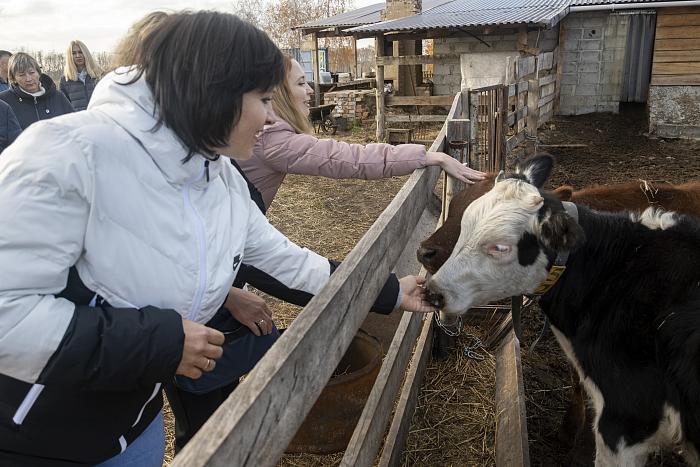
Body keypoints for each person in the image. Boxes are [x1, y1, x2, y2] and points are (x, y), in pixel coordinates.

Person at [0, 11, 435, 466]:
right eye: (265, 99)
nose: (270, 118)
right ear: (217, 91)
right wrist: (161, 343)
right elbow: (8, 315)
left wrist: (387, 291)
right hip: (39, 437)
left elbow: (283, 260)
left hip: (135, 421)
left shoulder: (218, 177)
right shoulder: (66, 155)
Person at [237, 55, 486, 210]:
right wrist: (430, 156)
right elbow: (351, 158)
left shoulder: (261, 132)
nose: (311, 91)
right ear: (279, 94)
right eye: (301, 83)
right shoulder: (272, 140)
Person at [0, 52, 74, 130]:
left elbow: (74, 125)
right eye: (21, 75)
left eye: (32, 73)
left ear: (38, 73)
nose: (28, 79)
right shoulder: (4, 101)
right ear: (13, 78)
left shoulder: (58, 97)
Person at [60, 40, 102, 110]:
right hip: (78, 119)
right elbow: (64, 107)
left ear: (86, 53)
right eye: (73, 53)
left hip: (99, 118)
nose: (78, 56)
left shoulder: (99, 74)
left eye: (80, 52)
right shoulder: (65, 80)